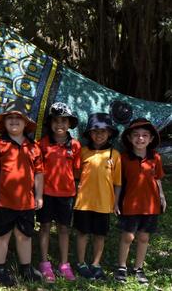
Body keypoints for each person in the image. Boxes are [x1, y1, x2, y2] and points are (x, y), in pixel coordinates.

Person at [0, 99, 44, 287]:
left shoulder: (34, 146)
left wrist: (39, 195)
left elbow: (39, 173)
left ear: (26, 123)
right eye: (10, 118)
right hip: (3, 201)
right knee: (2, 235)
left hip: (27, 202)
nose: (14, 121)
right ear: (4, 122)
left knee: (25, 235)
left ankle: (26, 268)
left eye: (18, 118)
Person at [114, 118, 166, 284]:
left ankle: (138, 268)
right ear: (129, 138)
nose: (140, 138)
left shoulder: (155, 158)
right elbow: (119, 183)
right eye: (136, 135)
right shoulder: (123, 158)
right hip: (130, 204)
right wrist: (115, 202)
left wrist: (162, 197)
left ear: (151, 139)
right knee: (128, 236)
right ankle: (121, 266)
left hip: (150, 205)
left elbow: (158, 179)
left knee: (144, 237)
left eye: (145, 135)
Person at [73, 112, 121, 280]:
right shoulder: (83, 152)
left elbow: (118, 182)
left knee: (100, 235)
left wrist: (115, 203)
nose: (99, 134)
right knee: (82, 233)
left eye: (103, 131)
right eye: (95, 131)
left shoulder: (114, 155)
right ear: (89, 134)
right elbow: (76, 176)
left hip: (104, 203)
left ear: (109, 133)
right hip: (83, 202)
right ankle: (81, 263)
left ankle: (96, 264)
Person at [36, 103, 81, 282]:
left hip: (67, 195)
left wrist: (76, 192)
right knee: (45, 227)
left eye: (64, 120)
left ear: (69, 123)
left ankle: (64, 264)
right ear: (50, 123)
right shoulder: (43, 144)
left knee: (64, 228)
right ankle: (44, 264)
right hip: (46, 193)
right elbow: (38, 170)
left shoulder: (75, 145)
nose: (59, 124)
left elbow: (77, 172)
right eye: (55, 120)